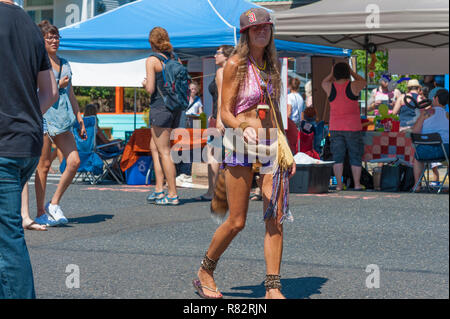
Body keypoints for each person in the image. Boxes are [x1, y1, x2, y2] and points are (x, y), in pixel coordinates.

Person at [192, 8, 296, 299]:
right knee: (237, 220)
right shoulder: (236, 63)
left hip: (270, 144)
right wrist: (241, 126)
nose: (261, 31)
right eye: (255, 28)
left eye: (266, 27)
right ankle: (205, 271)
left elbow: (274, 110)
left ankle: (273, 288)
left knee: (275, 217)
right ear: (246, 33)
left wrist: (285, 150)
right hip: (240, 142)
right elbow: (225, 112)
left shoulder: (271, 65)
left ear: (271, 31)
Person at [0, 0, 58, 298]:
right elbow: (50, 91)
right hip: (27, 139)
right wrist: (23, 115)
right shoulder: (28, 25)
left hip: (4, 144)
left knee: (7, 235)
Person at [33, 21, 86, 227]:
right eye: (50, 37)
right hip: (45, 116)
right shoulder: (38, 62)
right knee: (44, 166)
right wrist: (58, 84)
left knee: (74, 162)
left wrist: (79, 116)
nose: (54, 41)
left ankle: (53, 203)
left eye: (56, 37)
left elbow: (70, 92)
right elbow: (37, 90)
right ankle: (39, 211)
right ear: (42, 41)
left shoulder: (65, 62)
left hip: (64, 118)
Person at [143, 27, 180, 205]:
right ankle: (159, 188)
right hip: (174, 108)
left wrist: (144, 83)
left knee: (164, 151)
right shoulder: (174, 58)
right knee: (155, 147)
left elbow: (150, 88)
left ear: (151, 42)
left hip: (159, 107)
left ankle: (172, 193)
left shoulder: (152, 60)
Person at [194, 44, 234, 202]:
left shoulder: (221, 71)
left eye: (218, 53)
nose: (215, 55)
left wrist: (217, 119)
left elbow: (222, 98)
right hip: (229, 117)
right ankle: (223, 191)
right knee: (229, 155)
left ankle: (212, 191)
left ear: (226, 56)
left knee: (213, 154)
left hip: (221, 117)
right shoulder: (233, 72)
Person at [321, 62, 367, 191]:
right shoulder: (353, 85)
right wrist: (352, 72)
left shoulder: (330, 86)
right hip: (353, 127)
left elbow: (323, 82)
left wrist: (331, 73)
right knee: (355, 155)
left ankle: (339, 185)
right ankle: (357, 184)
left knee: (338, 156)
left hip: (335, 127)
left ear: (335, 73)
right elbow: (363, 81)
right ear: (348, 72)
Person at [411, 88, 449, 192]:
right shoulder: (447, 115)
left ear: (436, 98)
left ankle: (417, 185)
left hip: (425, 152)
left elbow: (415, 132)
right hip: (445, 152)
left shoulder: (426, 113)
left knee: (417, 158)